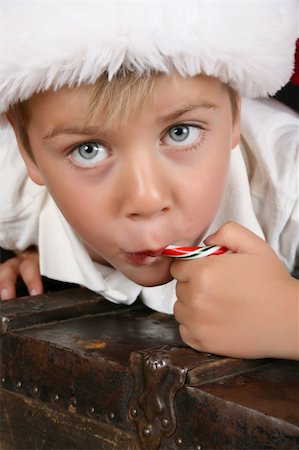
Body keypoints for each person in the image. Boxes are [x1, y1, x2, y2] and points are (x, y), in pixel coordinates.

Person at [0, 1, 298, 360]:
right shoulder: (10, 195)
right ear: (27, 151)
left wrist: (287, 319)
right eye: (88, 150)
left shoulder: (288, 184)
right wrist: (33, 251)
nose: (146, 199)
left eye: (180, 132)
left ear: (236, 113)